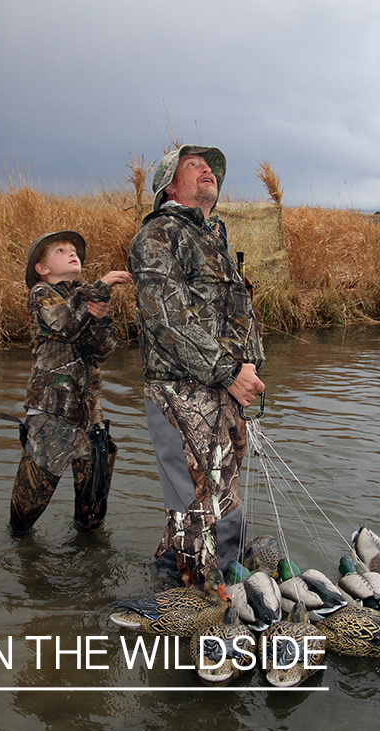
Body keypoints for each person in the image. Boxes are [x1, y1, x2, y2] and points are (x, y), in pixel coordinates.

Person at [127, 145, 265, 589]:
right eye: (193, 165)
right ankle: (190, 599)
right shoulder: (158, 237)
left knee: (223, 500)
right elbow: (167, 322)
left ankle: (199, 582)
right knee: (195, 504)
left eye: (210, 167)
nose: (207, 169)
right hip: (181, 392)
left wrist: (249, 369)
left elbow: (237, 312)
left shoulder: (214, 238)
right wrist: (230, 371)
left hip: (226, 392)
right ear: (170, 185)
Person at [9, 230, 132, 534]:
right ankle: (19, 559)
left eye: (73, 250)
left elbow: (103, 350)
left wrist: (101, 316)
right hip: (53, 411)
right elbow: (66, 325)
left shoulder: (85, 296)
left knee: (93, 514)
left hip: (90, 412)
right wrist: (101, 288)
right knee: (24, 517)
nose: (73, 253)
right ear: (43, 269)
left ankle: (90, 563)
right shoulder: (40, 293)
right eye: (61, 251)